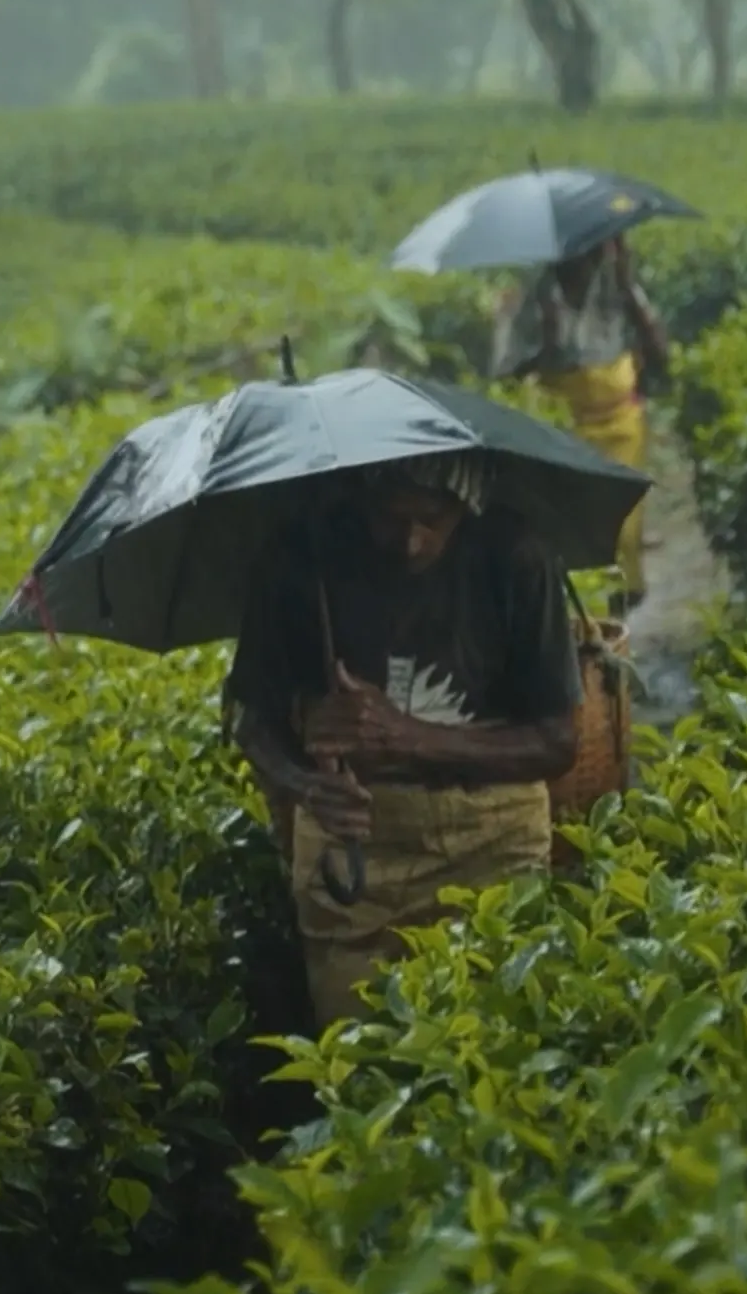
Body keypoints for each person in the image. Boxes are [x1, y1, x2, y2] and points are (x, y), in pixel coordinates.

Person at [224, 457, 579, 1026]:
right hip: (352, 855)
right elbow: (250, 717)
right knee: (355, 1057)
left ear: (467, 505)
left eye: (433, 520)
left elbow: (557, 743)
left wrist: (407, 737)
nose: (412, 542)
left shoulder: (515, 557)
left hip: (491, 840)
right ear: (363, 501)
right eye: (392, 519)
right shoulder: (301, 558)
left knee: (493, 1043)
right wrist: (308, 787)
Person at [489, 236, 673, 605]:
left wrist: (628, 288)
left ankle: (620, 609)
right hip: (567, 430)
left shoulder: (617, 290)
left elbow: (660, 353)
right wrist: (545, 340)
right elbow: (509, 370)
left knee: (622, 528)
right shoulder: (538, 301)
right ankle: (590, 622)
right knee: (578, 533)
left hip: (622, 424)